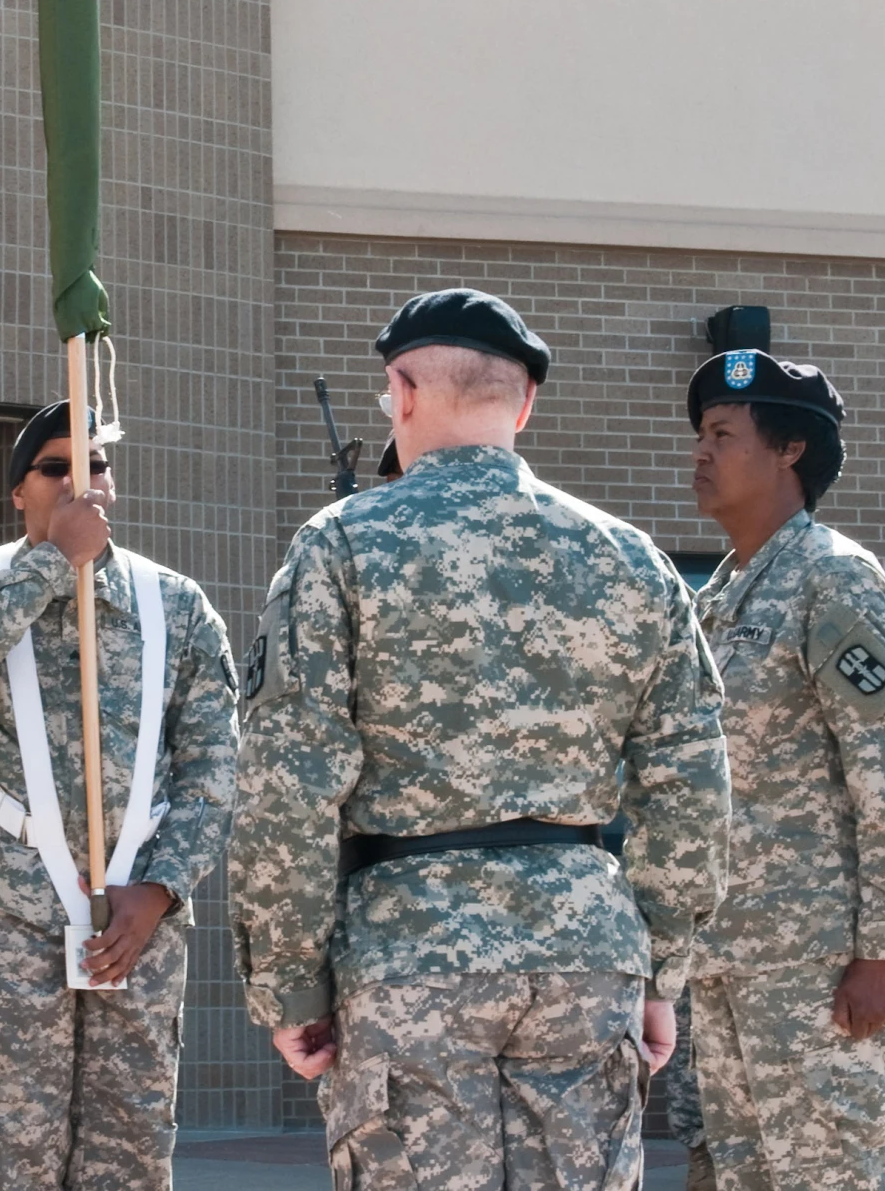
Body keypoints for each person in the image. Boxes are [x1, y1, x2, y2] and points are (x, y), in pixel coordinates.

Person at [230, 288, 733, 1191]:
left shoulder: (342, 544)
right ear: (524, 403)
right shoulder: (632, 559)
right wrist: (661, 970)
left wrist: (290, 982)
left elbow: (287, 784)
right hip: (586, 951)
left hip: (410, 950)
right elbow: (692, 784)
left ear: (402, 389)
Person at [0, 400, 239, 1191]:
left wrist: (162, 888)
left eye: (93, 465)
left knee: (130, 1154)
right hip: (6, 902)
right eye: (54, 468)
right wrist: (53, 562)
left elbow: (215, 765)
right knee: (11, 1156)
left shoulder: (174, 604)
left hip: (137, 915)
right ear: (17, 489)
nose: (77, 482)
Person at [682, 349, 885, 1191]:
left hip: (822, 970)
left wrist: (881, 952)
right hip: (729, 959)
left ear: (790, 449)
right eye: (700, 435)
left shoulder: (833, 579)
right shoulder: (720, 597)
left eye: (723, 433)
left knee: (843, 1176)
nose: (701, 451)